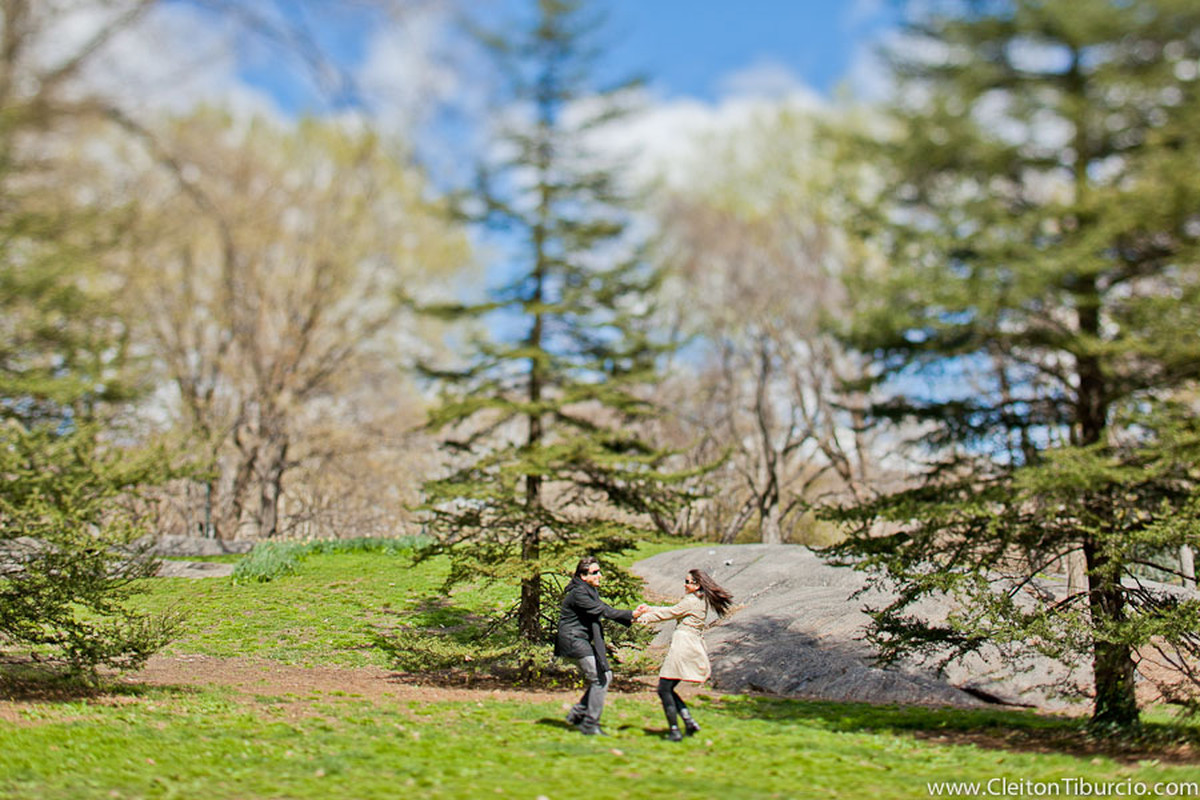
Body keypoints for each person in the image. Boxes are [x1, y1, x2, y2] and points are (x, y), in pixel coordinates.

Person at [635, 568, 733, 742]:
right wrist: (648, 608)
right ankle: (689, 723)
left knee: (664, 689)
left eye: (688, 582)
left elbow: (669, 613)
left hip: (683, 647)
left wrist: (642, 618)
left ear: (696, 585)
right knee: (668, 689)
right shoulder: (698, 600)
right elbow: (674, 610)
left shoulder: (691, 601)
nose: (684, 584)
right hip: (690, 645)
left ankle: (675, 730)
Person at [555, 556, 639, 735]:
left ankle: (577, 715)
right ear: (583, 576)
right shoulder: (579, 593)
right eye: (595, 572)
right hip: (573, 641)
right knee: (599, 679)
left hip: (580, 640)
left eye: (599, 571)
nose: (600, 575)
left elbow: (602, 607)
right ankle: (590, 724)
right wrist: (631, 614)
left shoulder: (587, 590)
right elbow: (602, 611)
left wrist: (632, 615)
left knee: (605, 676)